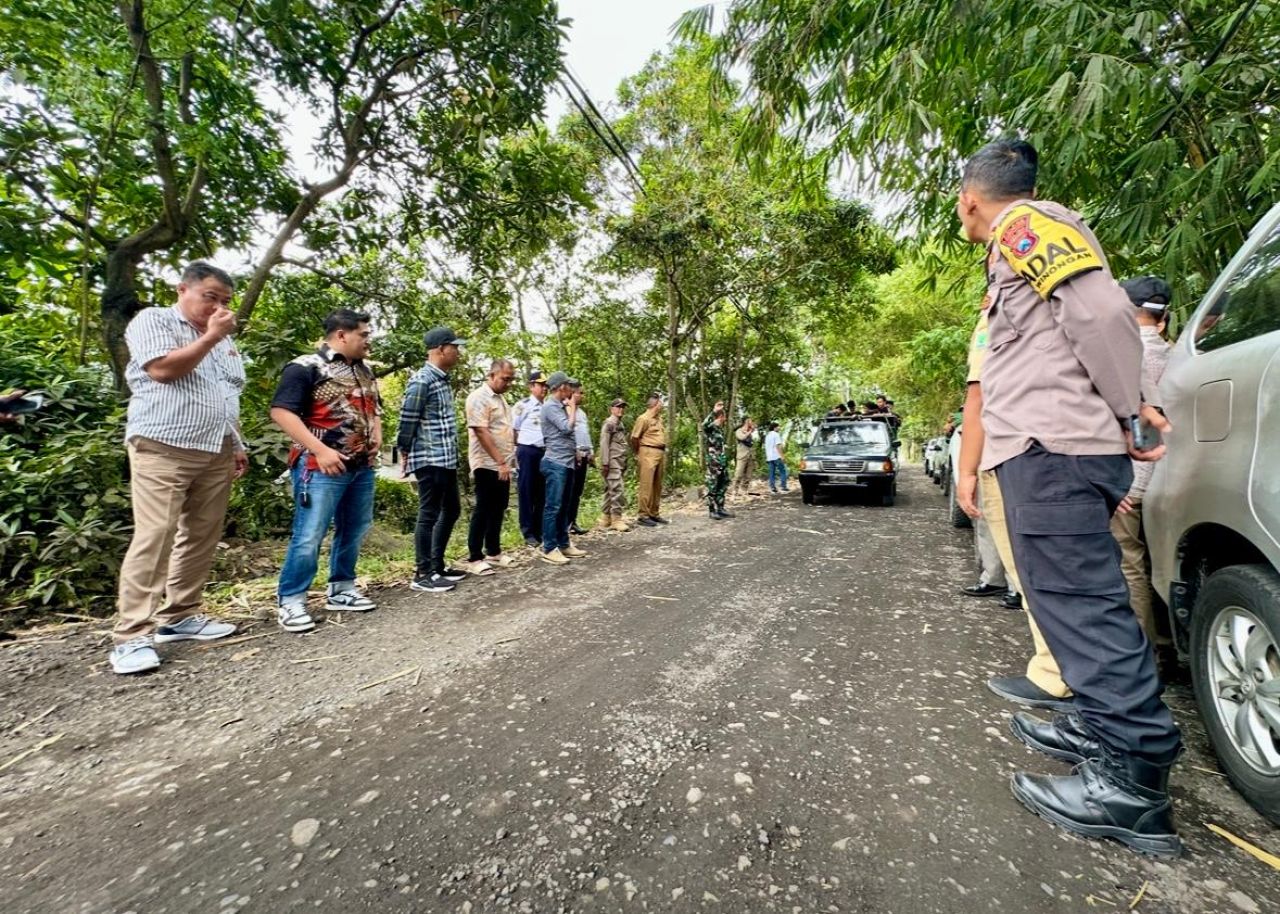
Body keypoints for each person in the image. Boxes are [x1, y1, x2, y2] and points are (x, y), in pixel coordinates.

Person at [954, 137, 1180, 856]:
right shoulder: (1019, 241)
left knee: (1082, 607)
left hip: (1055, 449)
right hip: (1048, 449)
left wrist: (1129, 411)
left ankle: (1131, 784)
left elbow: (1104, 317)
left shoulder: (1024, 226)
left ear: (969, 200)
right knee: (1071, 602)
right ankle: (1098, 726)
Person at [108, 262, 246, 675]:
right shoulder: (154, 320)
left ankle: (181, 615)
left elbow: (227, 394)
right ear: (182, 289)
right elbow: (163, 370)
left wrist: (237, 445)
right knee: (156, 535)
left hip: (216, 448)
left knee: (201, 534)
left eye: (225, 301)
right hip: (163, 445)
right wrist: (211, 336)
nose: (218, 307)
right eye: (210, 297)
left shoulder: (223, 342)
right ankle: (131, 635)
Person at [270, 309, 382, 633]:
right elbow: (282, 412)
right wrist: (320, 450)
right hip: (318, 467)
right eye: (364, 334)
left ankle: (342, 588)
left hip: (361, 467)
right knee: (310, 534)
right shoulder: (306, 367)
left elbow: (375, 410)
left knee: (355, 528)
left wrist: (377, 434)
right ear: (342, 335)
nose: (369, 340)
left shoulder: (365, 370)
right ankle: (291, 600)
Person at [1112, 277, 1174, 660]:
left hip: (1132, 478)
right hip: (1173, 477)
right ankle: (1165, 643)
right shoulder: (1179, 354)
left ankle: (1142, 655)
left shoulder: (1123, 354)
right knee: (1158, 563)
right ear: (1163, 318)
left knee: (1128, 562)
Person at [398, 327, 469, 594]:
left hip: (446, 458)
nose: (458, 352)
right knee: (428, 513)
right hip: (429, 457)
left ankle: (437, 566)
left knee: (452, 510)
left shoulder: (442, 380)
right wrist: (405, 451)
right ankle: (423, 573)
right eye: (455, 347)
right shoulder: (422, 380)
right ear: (441, 349)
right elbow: (407, 419)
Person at [463, 358, 518, 577]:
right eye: (505, 379)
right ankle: (475, 557)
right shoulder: (479, 397)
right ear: (492, 375)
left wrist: (508, 461)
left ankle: (493, 551)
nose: (508, 383)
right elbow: (480, 430)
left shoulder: (501, 399)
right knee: (484, 507)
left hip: (503, 463)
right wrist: (500, 461)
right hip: (486, 462)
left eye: (511, 380)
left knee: (499, 506)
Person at [539, 372, 588, 565]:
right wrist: (573, 407)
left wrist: (576, 451)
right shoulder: (550, 406)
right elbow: (567, 428)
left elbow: (568, 436)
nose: (572, 390)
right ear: (561, 387)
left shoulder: (560, 406)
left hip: (567, 462)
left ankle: (564, 543)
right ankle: (549, 548)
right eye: (569, 386)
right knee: (553, 506)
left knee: (564, 506)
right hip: (555, 463)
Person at [512, 370, 549, 546]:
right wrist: (515, 452)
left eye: (545, 385)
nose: (544, 388)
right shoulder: (523, 405)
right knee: (526, 491)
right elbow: (513, 429)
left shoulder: (547, 407)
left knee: (541, 492)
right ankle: (527, 532)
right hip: (527, 451)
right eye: (540, 385)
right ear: (531, 386)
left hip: (544, 452)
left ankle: (538, 530)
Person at [630, 394, 668, 526]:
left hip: (660, 452)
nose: (662, 405)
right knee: (646, 484)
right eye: (660, 403)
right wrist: (639, 452)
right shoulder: (643, 419)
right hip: (647, 451)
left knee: (657, 485)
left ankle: (654, 513)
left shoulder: (659, 419)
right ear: (655, 405)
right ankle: (643, 515)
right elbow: (634, 437)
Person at [598, 398, 630, 531]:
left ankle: (606, 518)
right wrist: (605, 463)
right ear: (612, 409)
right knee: (617, 489)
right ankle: (616, 519)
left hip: (619, 461)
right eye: (618, 407)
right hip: (612, 462)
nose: (621, 409)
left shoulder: (619, 424)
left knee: (610, 489)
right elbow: (604, 444)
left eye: (622, 407)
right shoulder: (609, 424)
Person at [565, 381, 593, 536]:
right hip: (572, 456)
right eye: (580, 393)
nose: (583, 395)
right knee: (568, 490)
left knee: (577, 491)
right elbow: (568, 433)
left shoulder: (582, 413)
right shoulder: (566, 410)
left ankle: (572, 522)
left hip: (584, 454)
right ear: (572, 393)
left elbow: (585, 432)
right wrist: (575, 450)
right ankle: (564, 523)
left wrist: (591, 451)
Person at [703, 402, 734, 519]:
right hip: (713, 462)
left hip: (721, 461)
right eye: (724, 417)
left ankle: (720, 508)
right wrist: (714, 411)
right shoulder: (711, 428)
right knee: (712, 485)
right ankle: (712, 510)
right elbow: (704, 425)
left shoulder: (719, 430)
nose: (725, 419)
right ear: (721, 417)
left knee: (723, 484)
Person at [732, 416, 757, 495]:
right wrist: (750, 432)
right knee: (738, 474)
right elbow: (742, 438)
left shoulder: (749, 432)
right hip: (742, 455)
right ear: (746, 421)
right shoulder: (739, 431)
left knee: (748, 475)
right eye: (750, 421)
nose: (752, 422)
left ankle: (744, 490)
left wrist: (751, 430)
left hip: (750, 455)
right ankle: (735, 490)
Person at [764, 421, 789, 493]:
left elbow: (767, 447)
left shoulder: (767, 436)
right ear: (775, 428)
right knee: (783, 471)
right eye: (778, 426)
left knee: (771, 473)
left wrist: (767, 456)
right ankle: (783, 487)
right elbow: (778, 446)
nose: (779, 428)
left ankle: (773, 488)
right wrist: (782, 456)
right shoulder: (776, 434)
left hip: (769, 457)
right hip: (776, 456)